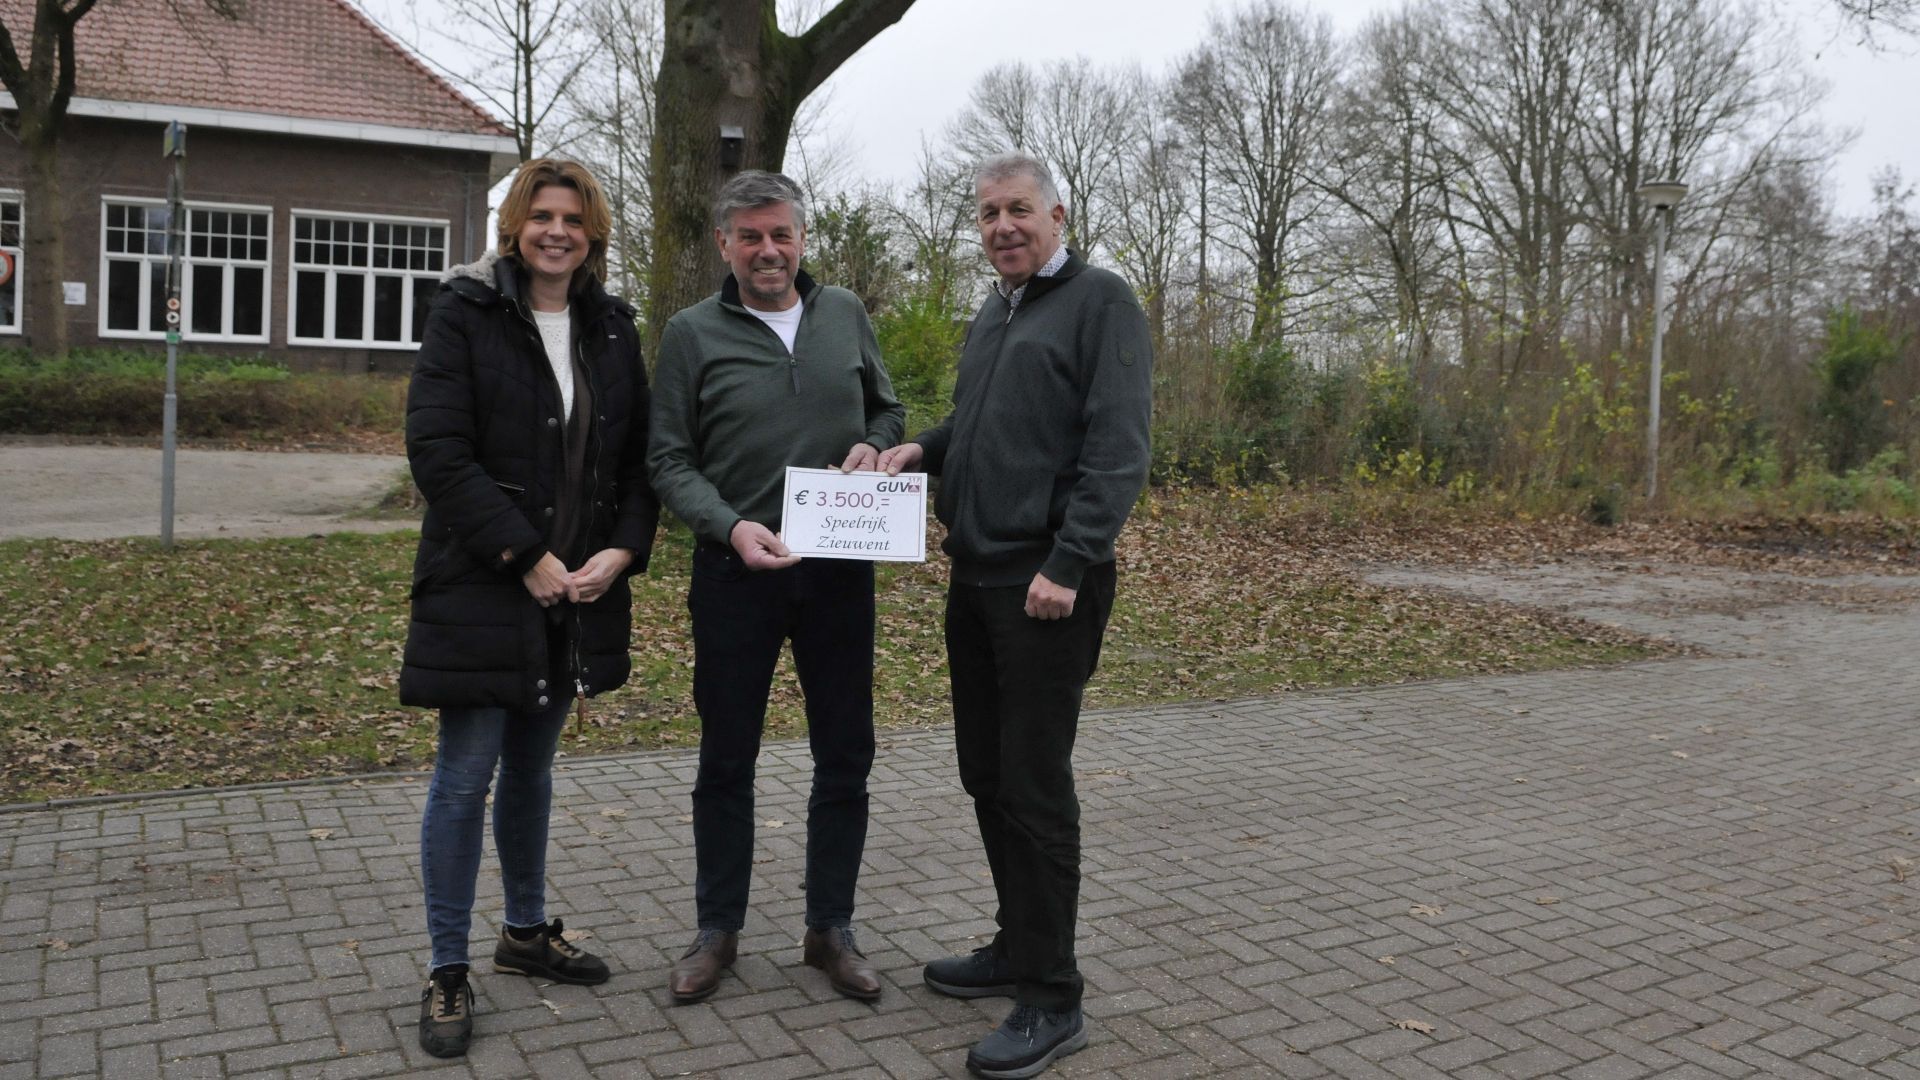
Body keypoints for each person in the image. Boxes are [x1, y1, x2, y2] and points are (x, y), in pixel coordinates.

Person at [876, 151, 1153, 1080]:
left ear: (1058, 215)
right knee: (985, 775)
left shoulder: (1102, 302)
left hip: (1048, 588)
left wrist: (1070, 562)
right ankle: (1015, 945)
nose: (1002, 227)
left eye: (1019, 211)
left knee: (1034, 789)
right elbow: (978, 424)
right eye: (989, 213)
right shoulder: (993, 314)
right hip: (977, 578)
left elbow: (1118, 447)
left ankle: (1052, 997)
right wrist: (917, 448)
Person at [399, 158, 659, 1059]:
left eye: (574, 218)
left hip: (575, 595)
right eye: (542, 215)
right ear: (515, 225)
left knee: (533, 771)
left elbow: (635, 463)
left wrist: (620, 553)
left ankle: (522, 932)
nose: (558, 231)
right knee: (464, 778)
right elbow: (438, 452)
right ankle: (445, 969)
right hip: (483, 588)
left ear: (594, 232)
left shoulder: (613, 328)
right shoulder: (463, 313)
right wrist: (526, 555)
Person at [647, 170, 905, 1005]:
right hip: (735, 574)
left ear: (801, 238)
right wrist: (728, 526)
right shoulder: (691, 333)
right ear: (724, 245)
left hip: (839, 570)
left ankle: (830, 930)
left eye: (781, 234)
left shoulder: (846, 315)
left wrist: (875, 445)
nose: (769, 250)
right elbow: (667, 461)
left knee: (846, 753)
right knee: (727, 757)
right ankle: (716, 932)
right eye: (750, 236)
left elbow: (889, 413)